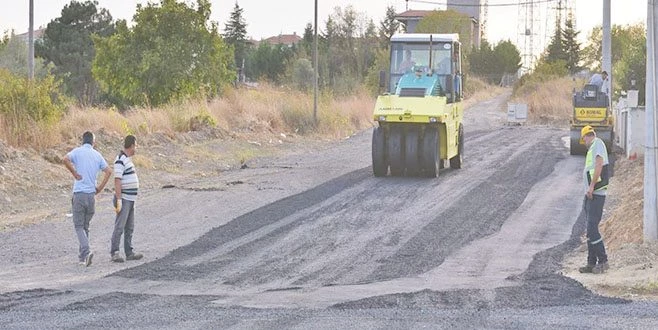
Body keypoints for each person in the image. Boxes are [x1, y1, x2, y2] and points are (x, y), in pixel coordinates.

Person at [62, 131, 112, 267]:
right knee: (85, 227)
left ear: (82, 140)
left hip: (79, 194)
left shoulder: (77, 152)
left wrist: (74, 173)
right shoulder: (97, 155)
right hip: (91, 195)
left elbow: (65, 159)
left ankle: (87, 251)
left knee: (78, 226)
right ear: (93, 142)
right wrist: (100, 188)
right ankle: (82, 258)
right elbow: (108, 171)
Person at [578, 125, 610, 274]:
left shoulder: (597, 144)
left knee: (591, 228)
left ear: (586, 136)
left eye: (583, 138)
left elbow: (598, 165)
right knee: (590, 230)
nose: (583, 142)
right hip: (591, 194)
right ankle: (591, 263)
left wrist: (591, 186)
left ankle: (603, 261)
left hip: (596, 193)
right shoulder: (593, 147)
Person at [110, 135, 143, 263]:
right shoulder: (120, 160)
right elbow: (117, 180)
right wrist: (118, 200)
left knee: (130, 227)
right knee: (120, 226)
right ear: (132, 145)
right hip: (123, 198)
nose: (136, 148)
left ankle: (129, 252)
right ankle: (115, 252)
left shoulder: (127, 160)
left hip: (130, 199)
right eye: (136, 145)